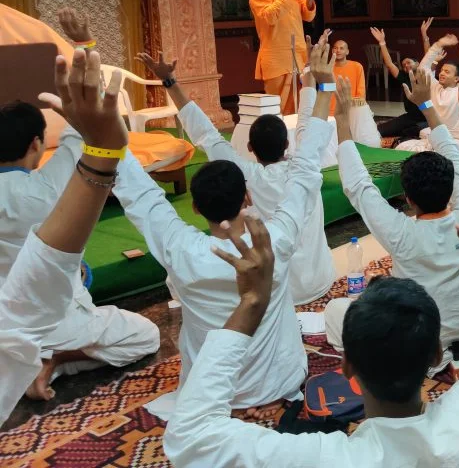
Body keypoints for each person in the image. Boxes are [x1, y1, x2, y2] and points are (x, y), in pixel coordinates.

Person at [162, 204, 459, 467]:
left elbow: (190, 436)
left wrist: (251, 302)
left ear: (346, 365)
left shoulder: (330, 458)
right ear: (436, 355)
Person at [112, 40, 336, 416]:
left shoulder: (181, 248)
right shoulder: (276, 240)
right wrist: (324, 84)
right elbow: (311, 151)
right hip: (283, 380)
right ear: (246, 199)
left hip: (211, 391)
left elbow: (142, 189)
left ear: (195, 207)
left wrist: (166, 86)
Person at [0, 13, 160, 400]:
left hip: (6, 320)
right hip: (52, 320)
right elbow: (95, 121)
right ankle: (51, 359)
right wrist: (85, 44)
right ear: (37, 144)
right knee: (146, 336)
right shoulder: (51, 186)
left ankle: (26, 363)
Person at [137, 43, 336, 306]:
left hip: (274, 289)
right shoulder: (303, 172)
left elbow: (205, 133)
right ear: (287, 145)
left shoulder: (245, 174)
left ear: (250, 148)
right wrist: (320, 83)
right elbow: (312, 126)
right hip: (319, 281)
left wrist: (169, 81)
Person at [333, 69, 459, 372]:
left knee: (338, 311)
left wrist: (341, 117)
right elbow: (453, 155)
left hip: (417, 348)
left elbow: (358, 185)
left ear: (409, 199)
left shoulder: (400, 232)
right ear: (452, 186)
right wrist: (426, 105)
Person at [248, 0, 316, 115]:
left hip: (299, 55)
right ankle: (279, 140)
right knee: (277, 107)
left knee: (303, 104)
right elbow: (269, 17)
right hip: (276, 58)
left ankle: (300, 140)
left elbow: (308, 16)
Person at [369, 27, 426, 140]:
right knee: (380, 130)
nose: (406, 66)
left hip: (428, 116)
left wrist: (424, 35)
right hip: (411, 116)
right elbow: (389, 64)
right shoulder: (404, 77)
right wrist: (382, 42)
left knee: (417, 131)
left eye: (408, 62)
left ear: (418, 63)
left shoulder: (426, 73)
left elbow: (429, 54)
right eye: (403, 65)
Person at [329, 38, 382, 147]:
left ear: (347, 52)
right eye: (335, 48)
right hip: (332, 109)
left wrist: (354, 107)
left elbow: (361, 91)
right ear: (332, 51)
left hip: (354, 108)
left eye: (341, 48)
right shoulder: (328, 69)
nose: (338, 50)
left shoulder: (356, 66)